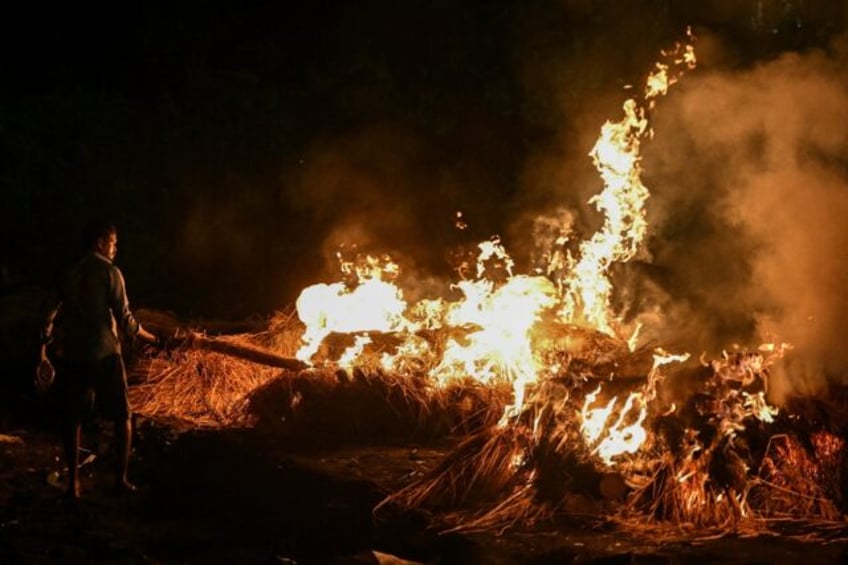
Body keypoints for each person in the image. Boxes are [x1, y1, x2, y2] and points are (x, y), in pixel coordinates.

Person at [37, 218, 159, 500]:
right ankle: (121, 480)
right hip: (105, 355)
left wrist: (43, 348)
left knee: (72, 419)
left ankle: (73, 486)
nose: (115, 249)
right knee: (123, 416)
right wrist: (153, 339)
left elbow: (46, 315)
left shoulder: (68, 273)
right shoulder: (110, 273)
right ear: (100, 243)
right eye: (113, 243)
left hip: (75, 356)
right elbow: (126, 321)